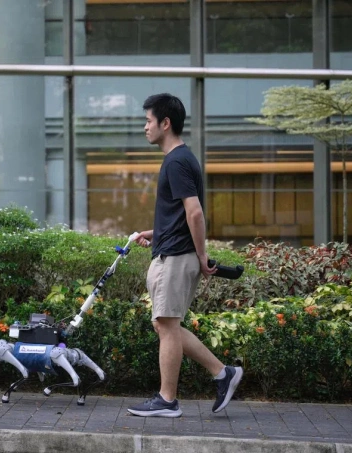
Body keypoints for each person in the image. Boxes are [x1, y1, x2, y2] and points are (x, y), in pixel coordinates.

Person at [127, 93, 243, 418]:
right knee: (165, 325)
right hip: (173, 251)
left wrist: (202, 256)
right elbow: (182, 216)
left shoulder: (176, 161)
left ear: (165, 123)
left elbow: (194, 213)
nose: (145, 127)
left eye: (148, 120)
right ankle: (223, 373)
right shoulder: (180, 159)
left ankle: (168, 400)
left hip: (176, 257)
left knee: (166, 325)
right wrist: (155, 233)